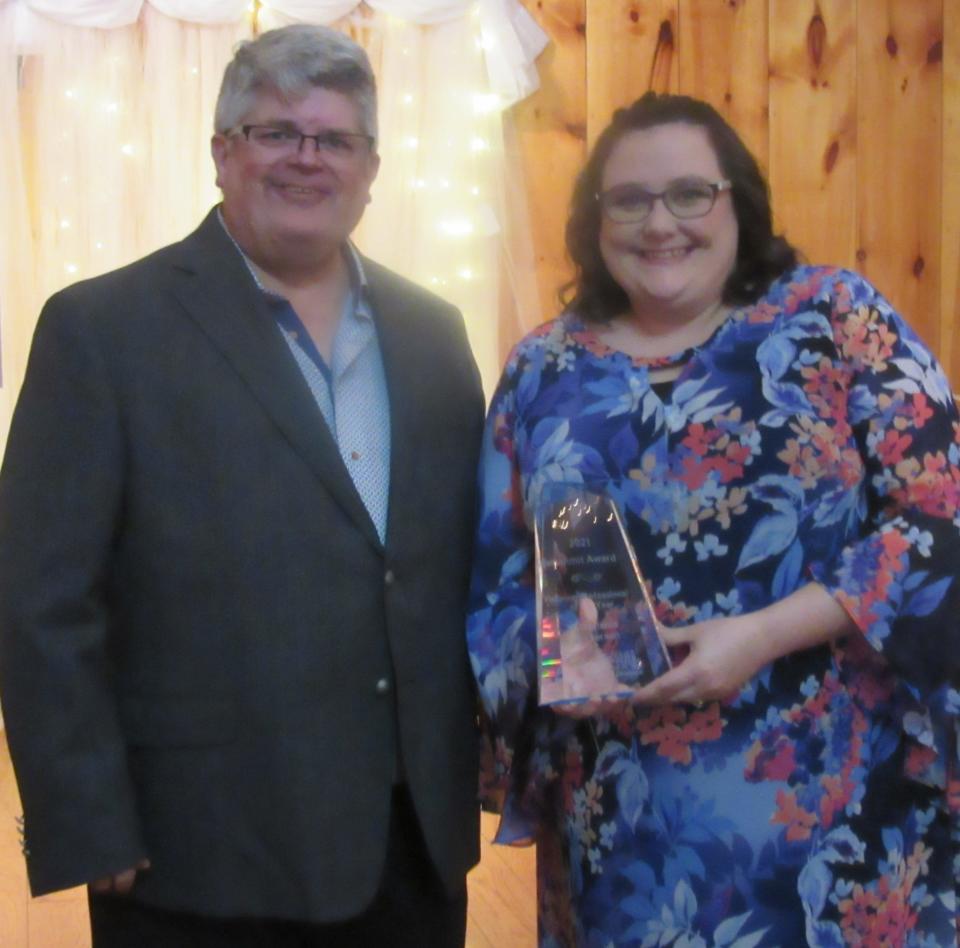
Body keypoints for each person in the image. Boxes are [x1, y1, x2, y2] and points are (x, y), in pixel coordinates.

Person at [0, 24, 483, 947]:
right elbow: (42, 603)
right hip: (198, 850)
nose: (308, 159)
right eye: (276, 132)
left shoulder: (435, 332)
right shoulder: (101, 332)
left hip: (409, 842)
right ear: (223, 152)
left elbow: (449, 563)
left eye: (334, 139)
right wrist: (84, 813)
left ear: (371, 167)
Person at [467, 91, 960, 946]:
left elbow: (940, 514)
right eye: (629, 199)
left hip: (842, 814)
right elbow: (499, 578)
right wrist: (557, 656)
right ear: (595, 217)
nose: (660, 223)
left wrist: (763, 633)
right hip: (625, 825)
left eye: (690, 193)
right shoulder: (541, 367)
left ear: (738, 201)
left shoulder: (834, 318)